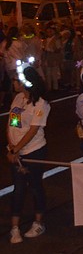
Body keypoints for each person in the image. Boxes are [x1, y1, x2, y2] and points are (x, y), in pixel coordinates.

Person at [7, 64, 50, 244]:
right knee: (18, 189)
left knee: (34, 186)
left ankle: (38, 222)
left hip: (34, 151)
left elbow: (33, 130)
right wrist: (11, 147)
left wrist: (17, 150)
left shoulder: (41, 103)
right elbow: (11, 123)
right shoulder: (17, 98)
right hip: (16, 152)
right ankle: (14, 227)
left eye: (17, 80)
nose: (14, 83)